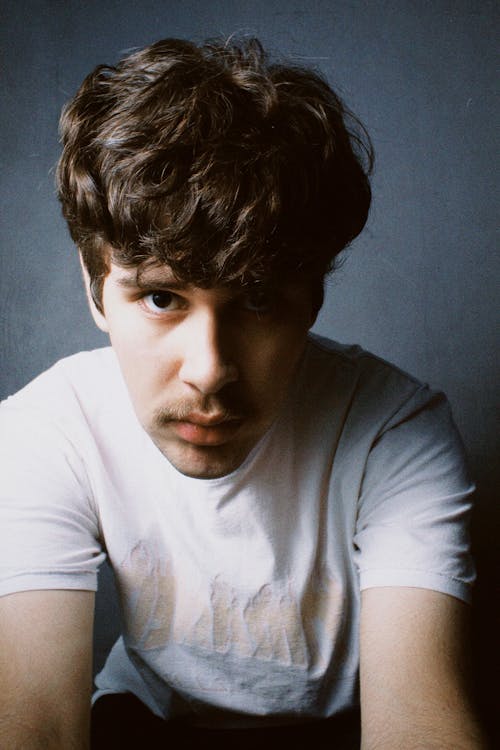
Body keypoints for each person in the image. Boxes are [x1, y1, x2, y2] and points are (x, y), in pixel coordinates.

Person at [0, 37, 487, 749]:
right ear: (95, 286)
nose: (209, 370)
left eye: (258, 300)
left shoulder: (394, 427)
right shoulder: (48, 429)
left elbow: (418, 718)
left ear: (314, 296)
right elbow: (34, 723)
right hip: (146, 726)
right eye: (162, 297)